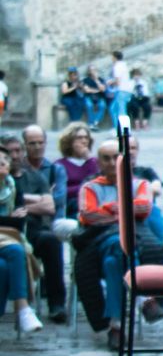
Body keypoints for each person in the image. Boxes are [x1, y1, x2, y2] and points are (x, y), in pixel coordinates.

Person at [78, 139, 163, 348]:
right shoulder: (90, 187)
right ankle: (144, 298)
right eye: (105, 158)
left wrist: (107, 209)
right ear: (98, 162)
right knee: (118, 242)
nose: (110, 162)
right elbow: (89, 215)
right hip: (100, 240)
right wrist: (124, 211)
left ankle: (116, 326)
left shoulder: (139, 184)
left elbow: (144, 208)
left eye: (114, 157)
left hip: (134, 239)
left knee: (113, 262)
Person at [6, 131, 68, 324]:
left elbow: (49, 207)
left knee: (51, 241)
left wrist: (19, 205)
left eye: (18, 151)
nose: (15, 156)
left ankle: (56, 304)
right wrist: (34, 201)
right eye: (10, 152)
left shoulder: (34, 176)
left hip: (32, 229)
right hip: (7, 231)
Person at [0, 149, 42, 332]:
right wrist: (10, 218)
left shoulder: (12, 186)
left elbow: (19, 220)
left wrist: (10, 218)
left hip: (7, 236)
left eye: (3, 162)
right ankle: (23, 309)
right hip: (7, 239)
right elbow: (12, 219)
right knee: (15, 251)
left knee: (3, 265)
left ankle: (22, 309)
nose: (1, 166)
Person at [54, 123, 98, 219]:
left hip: (92, 203)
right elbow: (62, 191)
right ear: (69, 141)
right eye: (79, 138)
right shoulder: (60, 164)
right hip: (71, 206)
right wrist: (84, 189)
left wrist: (89, 158)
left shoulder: (93, 162)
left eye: (86, 138)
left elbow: (97, 183)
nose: (84, 141)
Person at [107, 51, 131, 123]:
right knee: (113, 109)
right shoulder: (124, 65)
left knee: (121, 111)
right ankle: (117, 128)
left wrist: (110, 82)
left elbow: (118, 81)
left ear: (114, 57)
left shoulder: (117, 66)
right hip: (126, 90)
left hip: (121, 90)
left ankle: (124, 131)